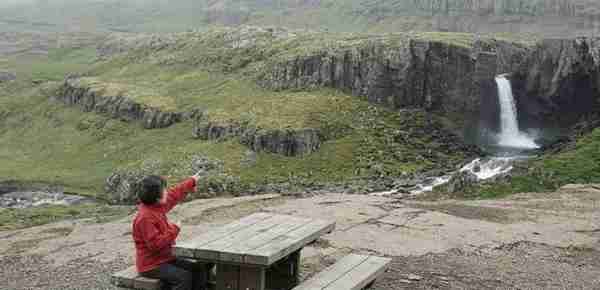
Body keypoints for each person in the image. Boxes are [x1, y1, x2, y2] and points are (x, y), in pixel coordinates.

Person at [132, 174, 204, 290]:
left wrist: (191, 181)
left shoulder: (156, 205)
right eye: (164, 190)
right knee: (183, 277)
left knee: (198, 268)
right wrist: (174, 229)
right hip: (151, 265)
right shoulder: (144, 218)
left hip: (165, 258)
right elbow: (156, 245)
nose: (167, 191)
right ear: (157, 197)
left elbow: (174, 194)